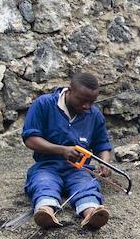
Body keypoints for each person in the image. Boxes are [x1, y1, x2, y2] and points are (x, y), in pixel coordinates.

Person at [22, 71, 114, 230]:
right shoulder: (44, 104)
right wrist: (62, 150)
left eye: (91, 102)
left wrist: (104, 163)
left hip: (79, 169)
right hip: (47, 165)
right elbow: (30, 138)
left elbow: (102, 145)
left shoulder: (94, 115)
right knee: (43, 182)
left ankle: (91, 213)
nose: (86, 106)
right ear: (69, 91)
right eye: (82, 101)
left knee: (86, 184)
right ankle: (45, 211)